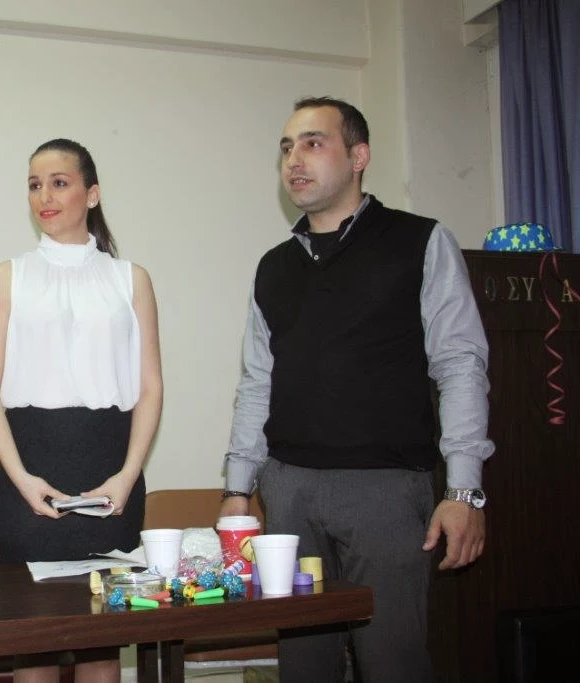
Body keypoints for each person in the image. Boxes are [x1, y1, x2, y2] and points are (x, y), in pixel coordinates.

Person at [220, 97, 494, 683]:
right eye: (287, 148)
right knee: (304, 668)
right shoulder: (273, 267)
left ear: (359, 156)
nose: (294, 160)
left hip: (386, 492)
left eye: (313, 143)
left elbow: (460, 365)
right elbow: (258, 381)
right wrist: (238, 489)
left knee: (393, 664)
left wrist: (464, 491)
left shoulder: (420, 241)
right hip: (288, 491)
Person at [0, 138, 163, 683]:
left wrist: (128, 475)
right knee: (33, 645)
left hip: (112, 478)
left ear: (92, 194)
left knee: (102, 645)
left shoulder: (131, 279)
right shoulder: (6, 277)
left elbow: (150, 388)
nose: (44, 197)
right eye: (35, 185)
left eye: (59, 183)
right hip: (27, 478)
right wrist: (21, 478)